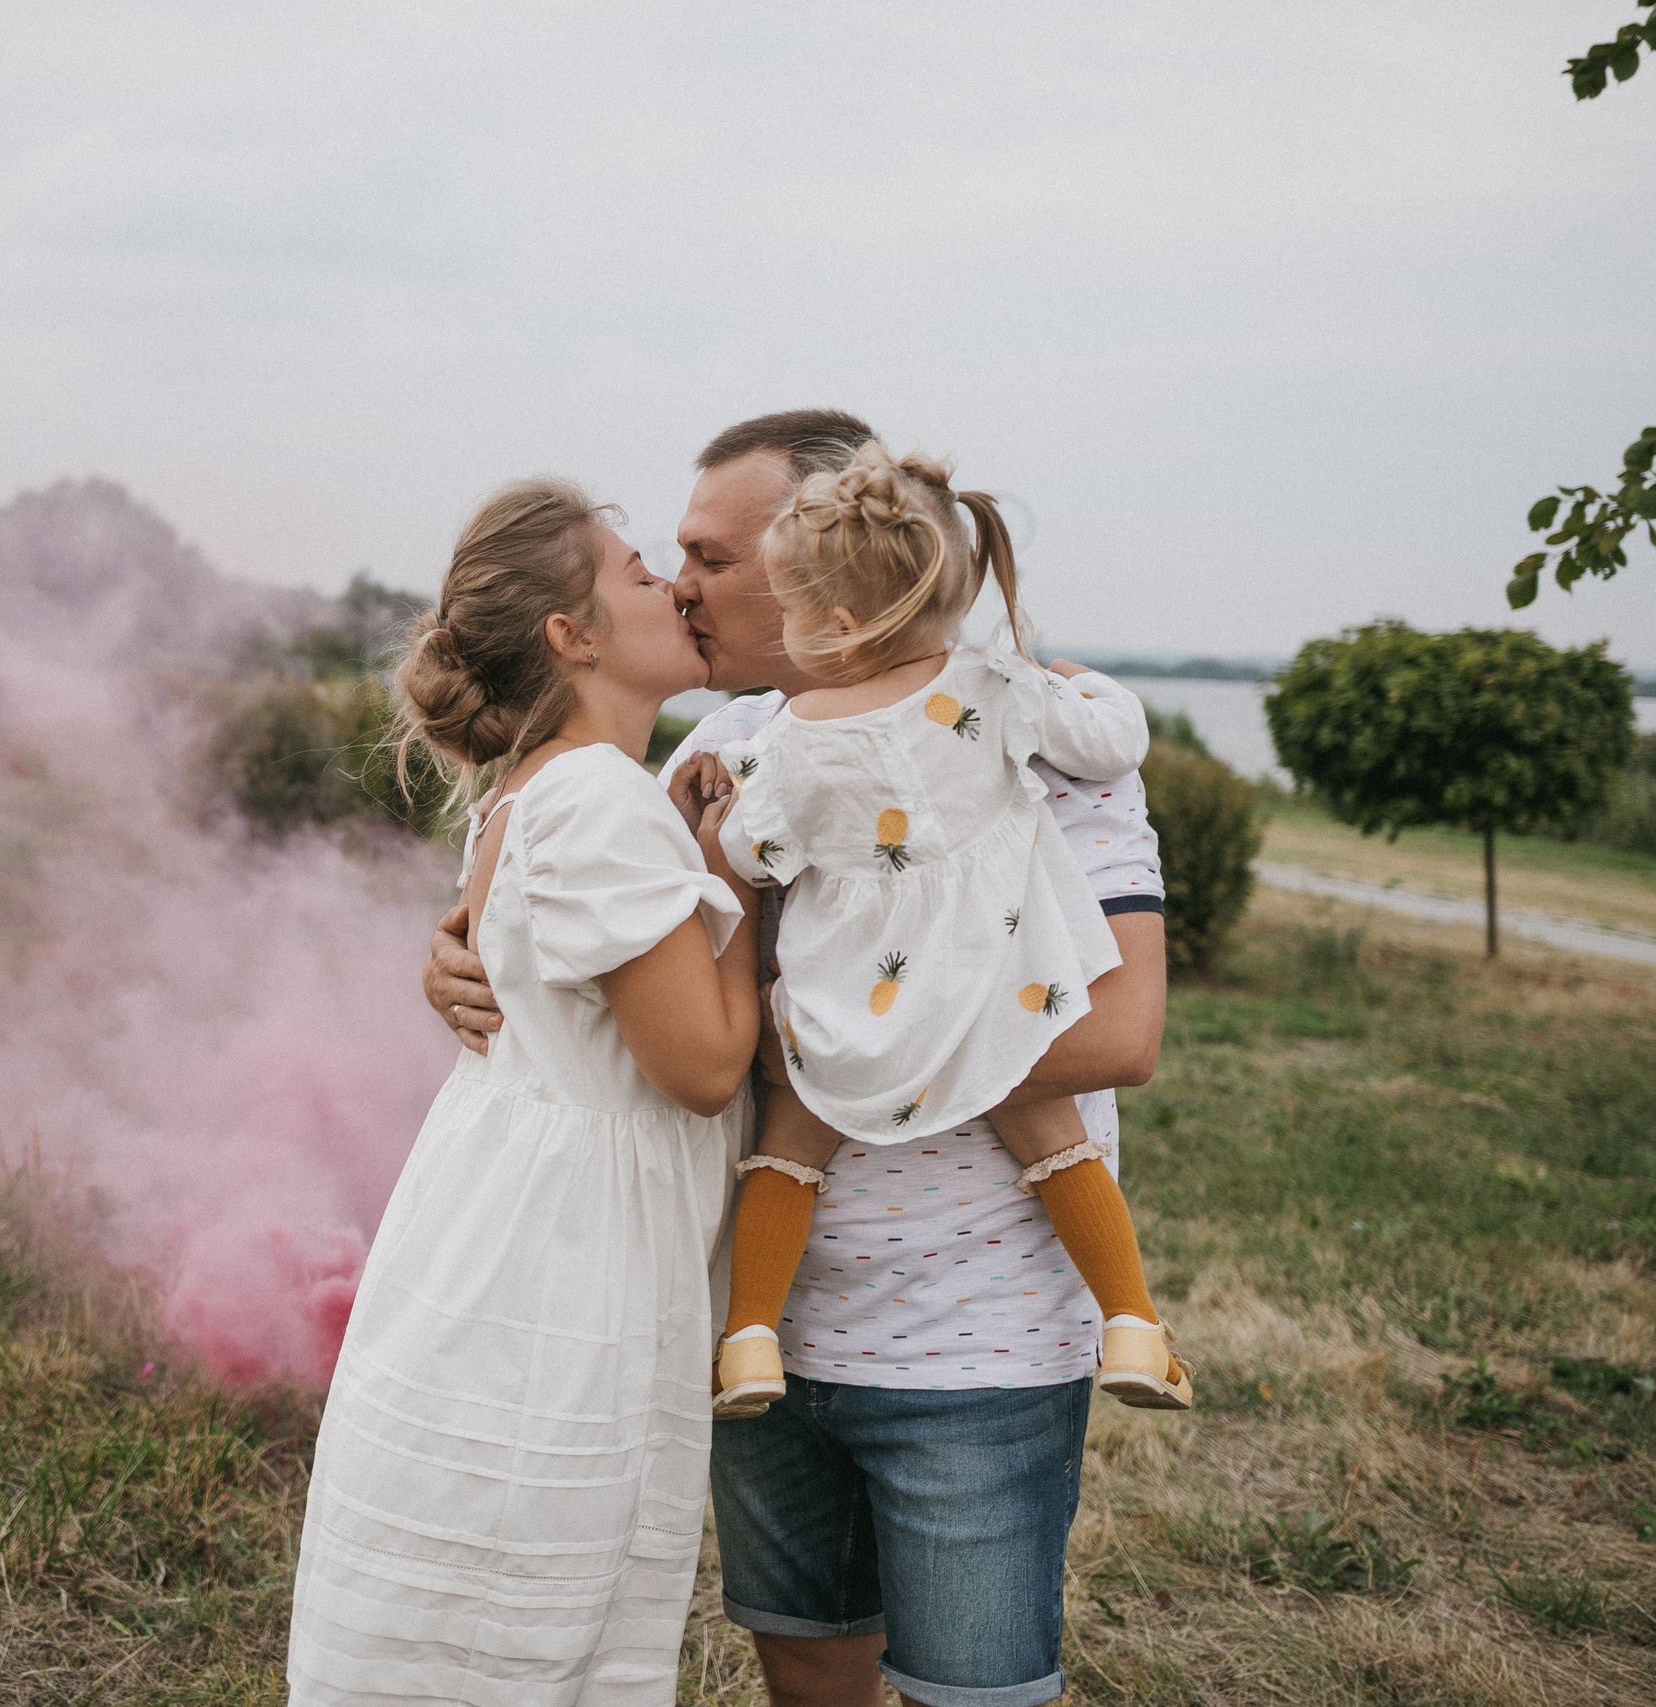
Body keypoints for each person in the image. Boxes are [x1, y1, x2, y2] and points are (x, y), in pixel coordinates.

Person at [423, 411, 1169, 1707]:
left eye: (712, 557)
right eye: (672, 558)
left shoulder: (1029, 735)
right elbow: (633, 959)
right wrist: (466, 956)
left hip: (976, 1354)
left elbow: (1120, 1033)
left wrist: (842, 1030)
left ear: (825, 568)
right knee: (810, 1680)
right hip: (754, 1338)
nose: (681, 585)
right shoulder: (722, 755)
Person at [287, 478, 764, 1706]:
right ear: (572, 635)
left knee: (483, 1604)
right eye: (637, 573)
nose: (671, 586)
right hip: (567, 1259)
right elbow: (704, 1069)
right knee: (539, 1587)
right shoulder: (599, 797)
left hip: (503, 1217)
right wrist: (736, 882)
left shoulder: (546, 786)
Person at [697, 439, 1192, 1422]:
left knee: (790, 1146)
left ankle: (748, 1340)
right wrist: (1094, 689)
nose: (783, 628)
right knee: (1055, 1140)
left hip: (852, 995)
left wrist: (717, 823)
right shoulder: (997, 685)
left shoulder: (787, 742)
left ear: (838, 623)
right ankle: (1133, 1323)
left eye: (789, 608)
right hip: (992, 974)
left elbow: (751, 855)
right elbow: (1110, 741)